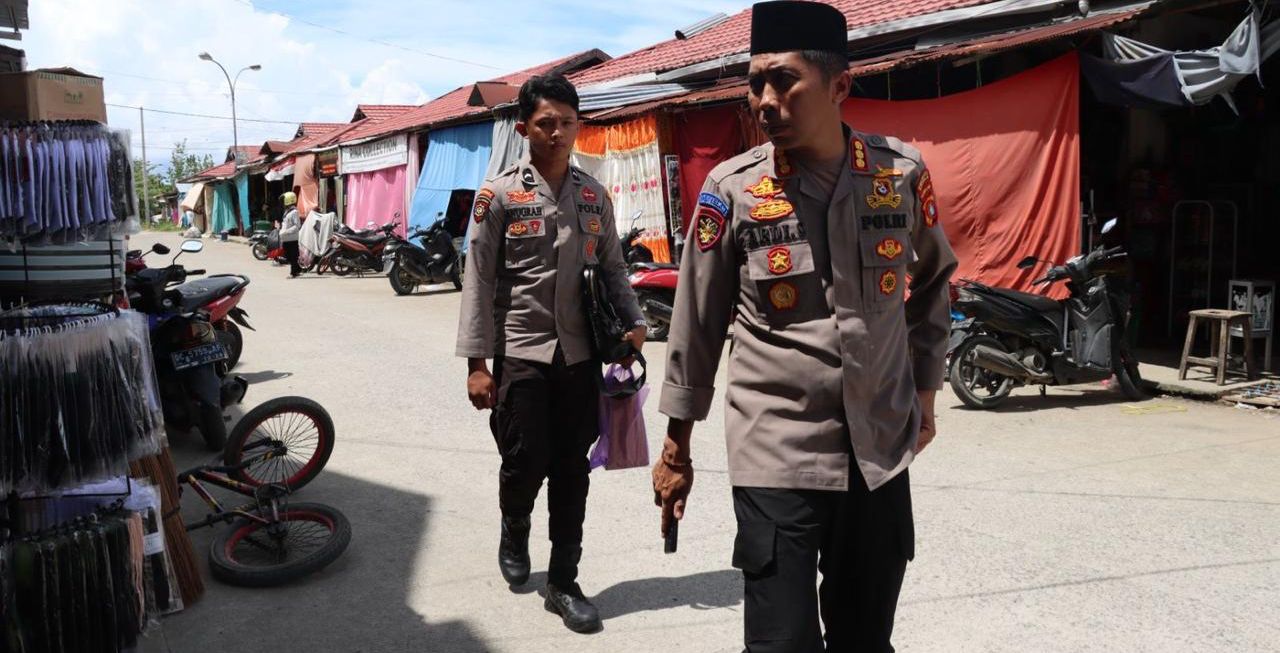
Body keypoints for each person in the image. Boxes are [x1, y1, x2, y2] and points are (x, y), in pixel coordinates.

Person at [651, 2, 958, 651]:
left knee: (865, 638)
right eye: (755, 82)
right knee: (781, 642)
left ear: (839, 85)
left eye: (784, 80)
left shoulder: (899, 174)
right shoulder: (731, 189)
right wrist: (677, 448)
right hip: (776, 451)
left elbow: (934, 282)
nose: (765, 100)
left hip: (878, 451)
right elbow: (696, 325)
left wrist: (926, 394)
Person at [455, 74, 647, 634]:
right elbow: (477, 281)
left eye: (567, 122)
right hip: (521, 350)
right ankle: (514, 526)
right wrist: (476, 364)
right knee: (523, 460)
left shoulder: (594, 195)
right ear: (524, 129)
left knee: (571, 469)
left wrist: (635, 322)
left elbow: (613, 267)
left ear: (577, 125)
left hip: (580, 356)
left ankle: (563, 581)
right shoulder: (498, 196)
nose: (557, 132)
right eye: (545, 123)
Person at [279, 191, 302, 277]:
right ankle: (298, 269)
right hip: (286, 238)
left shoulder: (294, 212)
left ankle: (294, 272)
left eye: (284, 201)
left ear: (288, 201)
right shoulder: (287, 211)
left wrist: (286, 231)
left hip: (292, 238)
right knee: (288, 256)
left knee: (293, 256)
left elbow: (297, 226)